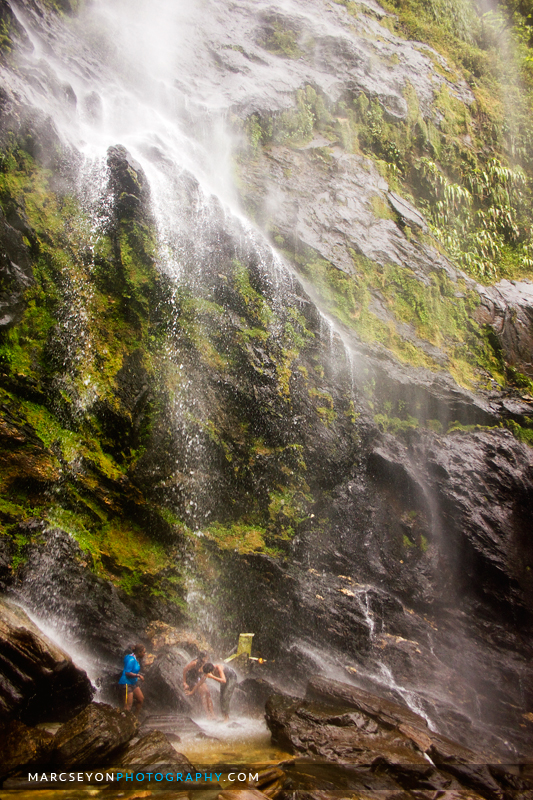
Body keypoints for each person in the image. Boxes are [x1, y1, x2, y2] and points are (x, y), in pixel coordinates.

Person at [182, 651, 213, 717]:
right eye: (206, 658)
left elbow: (203, 676)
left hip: (197, 678)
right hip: (190, 679)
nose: (207, 660)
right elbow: (185, 669)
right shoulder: (194, 663)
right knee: (203, 693)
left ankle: (212, 713)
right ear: (202, 658)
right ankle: (207, 714)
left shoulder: (204, 664)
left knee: (207, 692)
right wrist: (184, 682)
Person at [118, 643, 145, 715]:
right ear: (139, 652)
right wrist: (138, 675)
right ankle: (123, 722)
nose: (144, 654)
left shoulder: (135, 658)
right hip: (126, 683)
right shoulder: (131, 659)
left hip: (133, 683)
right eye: (143, 652)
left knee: (140, 699)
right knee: (128, 706)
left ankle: (135, 718)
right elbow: (127, 672)